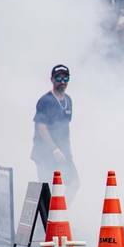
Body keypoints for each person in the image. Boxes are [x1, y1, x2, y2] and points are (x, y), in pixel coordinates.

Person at [31, 65, 79, 194]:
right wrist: (54, 149)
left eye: (66, 78)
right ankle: (48, 214)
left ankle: (61, 213)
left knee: (74, 183)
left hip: (63, 152)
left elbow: (65, 128)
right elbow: (41, 127)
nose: (62, 81)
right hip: (45, 154)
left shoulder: (68, 100)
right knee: (47, 189)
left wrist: (67, 152)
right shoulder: (45, 101)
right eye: (58, 78)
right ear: (52, 79)